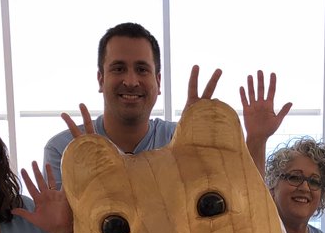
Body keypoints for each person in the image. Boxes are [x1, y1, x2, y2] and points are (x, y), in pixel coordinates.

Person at [42, 22, 221, 184]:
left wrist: (249, 147)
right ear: (100, 80)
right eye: (119, 69)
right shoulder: (63, 149)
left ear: (158, 82)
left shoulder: (181, 140)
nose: (131, 81)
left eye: (142, 70)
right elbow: (62, 220)